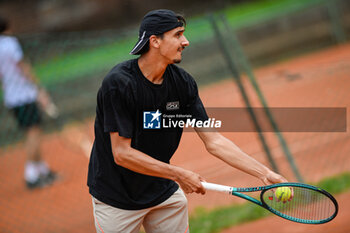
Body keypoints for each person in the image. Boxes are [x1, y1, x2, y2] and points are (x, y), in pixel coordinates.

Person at [87, 9, 288, 233]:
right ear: (155, 41)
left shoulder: (182, 83)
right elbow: (122, 154)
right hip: (117, 197)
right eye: (178, 35)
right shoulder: (120, 84)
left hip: (161, 189)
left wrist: (265, 174)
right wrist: (179, 174)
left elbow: (215, 141)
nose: (186, 41)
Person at [0, 16, 57, 189]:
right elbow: (24, 67)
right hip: (24, 95)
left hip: (11, 97)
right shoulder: (10, 43)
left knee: (33, 131)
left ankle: (41, 168)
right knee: (33, 132)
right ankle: (31, 173)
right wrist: (38, 89)